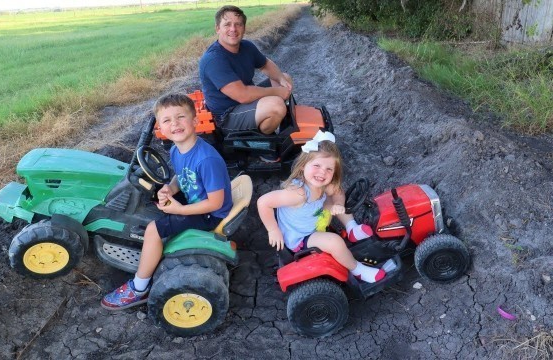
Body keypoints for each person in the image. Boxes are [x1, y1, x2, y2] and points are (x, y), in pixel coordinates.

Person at [101, 93, 233, 310]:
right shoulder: (177, 149)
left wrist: (182, 208)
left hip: (209, 213)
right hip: (195, 199)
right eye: (167, 120)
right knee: (155, 198)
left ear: (195, 121)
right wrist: (169, 188)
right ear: (160, 128)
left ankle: (139, 287)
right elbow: (181, 177)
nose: (175, 124)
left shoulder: (207, 159)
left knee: (153, 229)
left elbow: (216, 203)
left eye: (180, 117)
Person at [256, 131, 386, 283]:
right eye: (316, 165)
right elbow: (263, 202)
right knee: (334, 241)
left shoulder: (322, 184)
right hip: (300, 237)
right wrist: (273, 230)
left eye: (329, 169)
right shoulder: (298, 193)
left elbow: (337, 191)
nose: (322, 172)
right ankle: (357, 269)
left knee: (338, 204)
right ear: (303, 166)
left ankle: (351, 228)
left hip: (312, 218)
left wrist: (337, 204)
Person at [199, 5, 293, 136]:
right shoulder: (213, 59)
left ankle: (271, 121)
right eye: (227, 24)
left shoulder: (247, 47)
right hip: (227, 116)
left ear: (244, 28)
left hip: (247, 102)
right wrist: (278, 92)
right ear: (217, 29)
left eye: (238, 24)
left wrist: (282, 80)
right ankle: (262, 141)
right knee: (276, 106)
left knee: (285, 77)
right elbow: (243, 95)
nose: (233, 29)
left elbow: (265, 64)